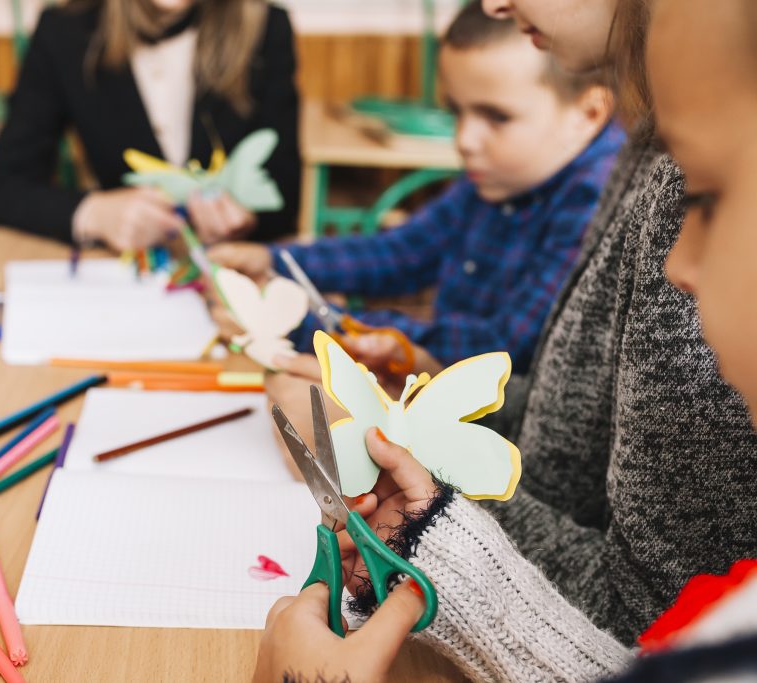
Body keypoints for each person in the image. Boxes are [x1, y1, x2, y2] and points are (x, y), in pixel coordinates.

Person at [254, 0, 757, 680]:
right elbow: (580, 418)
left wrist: (424, 514)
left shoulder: (684, 168)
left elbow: (649, 624)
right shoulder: (653, 146)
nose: (680, 265)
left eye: (707, 201)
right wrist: (423, 401)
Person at [210, 3, 621, 378]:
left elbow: (502, 347)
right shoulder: (497, 177)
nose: (464, 140)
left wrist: (304, 320)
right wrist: (273, 260)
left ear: (588, 113)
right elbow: (401, 252)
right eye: (456, 111)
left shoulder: (594, 201)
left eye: (496, 117)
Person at [0, 0, 301, 251]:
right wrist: (94, 214)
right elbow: (2, 185)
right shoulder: (65, 31)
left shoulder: (265, 27)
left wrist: (248, 218)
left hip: (229, 273)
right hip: (122, 275)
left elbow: (284, 195)